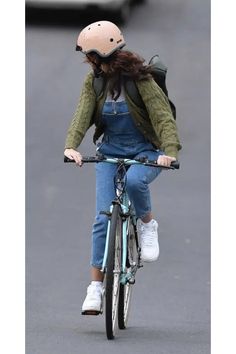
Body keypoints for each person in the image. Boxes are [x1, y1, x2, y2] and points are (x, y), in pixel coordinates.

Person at [64, 20, 182, 314]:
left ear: (105, 54)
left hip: (145, 152)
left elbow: (163, 117)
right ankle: (95, 288)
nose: (90, 62)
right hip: (110, 152)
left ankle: (147, 224)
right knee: (103, 218)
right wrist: (71, 145)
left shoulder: (140, 80)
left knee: (133, 182)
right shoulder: (93, 81)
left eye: (92, 57)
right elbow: (82, 114)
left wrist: (168, 152)